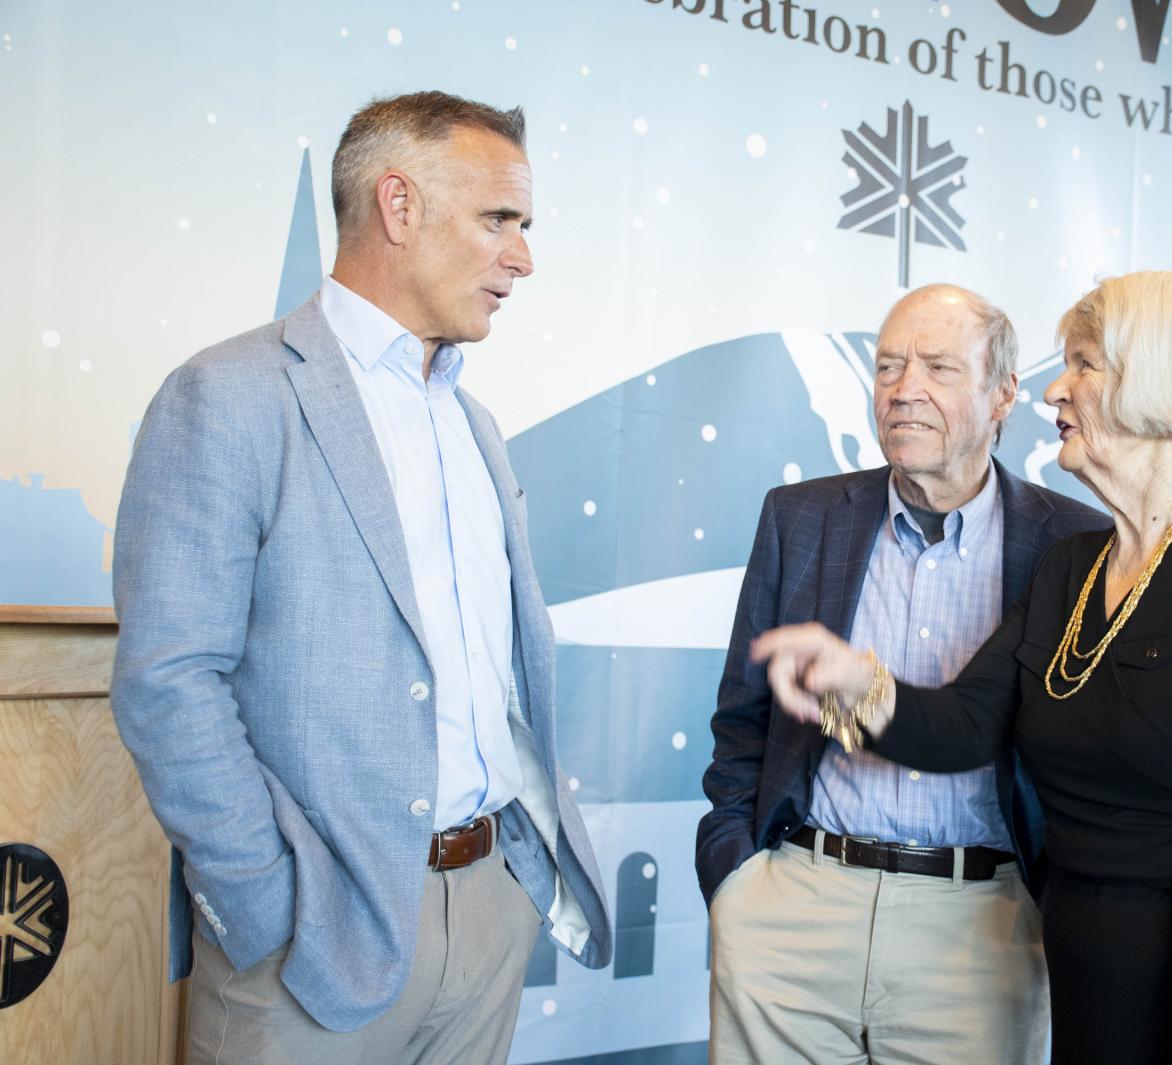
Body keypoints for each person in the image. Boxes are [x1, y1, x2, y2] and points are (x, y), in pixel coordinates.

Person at [753, 270, 1172, 1065]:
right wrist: (851, 681)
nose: (1057, 389)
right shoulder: (1071, 567)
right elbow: (965, 725)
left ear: (1157, 376)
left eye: (1084, 363)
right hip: (1089, 984)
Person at [111, 91, 611, 1064]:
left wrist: (504, 891)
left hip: (487, 912)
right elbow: (168, 679)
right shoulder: (227, 395)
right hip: (310, 946)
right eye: (499, 219)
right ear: (398, 205)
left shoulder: (474, 426)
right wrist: (263, 907)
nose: (523, 257)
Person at [696, 283, 1106, 1063]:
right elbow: (741, 723)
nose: (904, 389)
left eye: (939, 367)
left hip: (980, 933)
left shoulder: (1074, 545)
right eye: (888, 366)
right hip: (795, 912)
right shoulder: (800, 517)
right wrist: (737, 883)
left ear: (1003, 396)